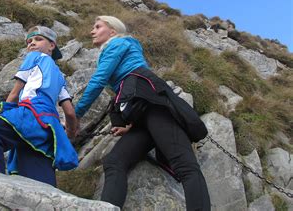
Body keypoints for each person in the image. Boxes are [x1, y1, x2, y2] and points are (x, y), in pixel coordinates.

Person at [74, 16, 211, 210]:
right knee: (114, 162)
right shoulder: (116, 49)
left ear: (112, 31)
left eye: (97, 27)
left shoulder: (119, 43)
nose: (92, 31)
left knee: (186, 166)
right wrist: (127, 124)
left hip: (156, 108)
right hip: (143, 116)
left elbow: (99, 80)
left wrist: (76, 114)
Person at [0, 26, 78, 186]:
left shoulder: (35, 57)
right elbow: (69, 112)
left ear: (52, 45)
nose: (32, 44)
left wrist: (6, 110)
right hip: (49, 126)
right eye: (29, 41)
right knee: (38, 181)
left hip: (30, 114)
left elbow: (15, 93)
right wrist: (70, 133)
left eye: (38, 39)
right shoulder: (60, 76)